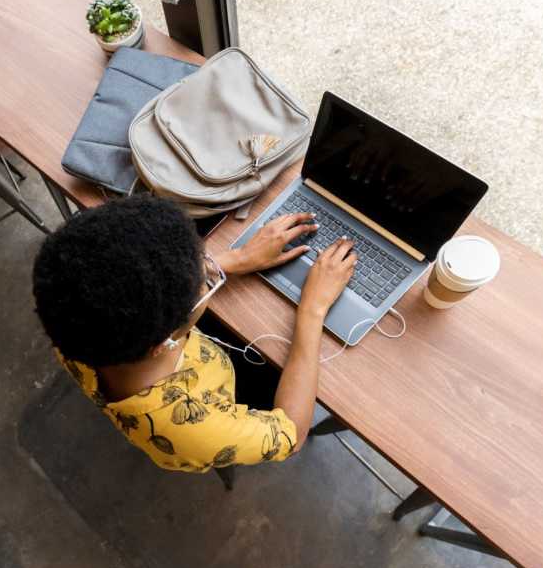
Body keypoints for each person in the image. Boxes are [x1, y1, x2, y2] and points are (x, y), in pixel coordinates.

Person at [32, 194, 356, 473]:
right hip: (224, 390)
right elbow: (292, 435)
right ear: (163, 343)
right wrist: (312, 310)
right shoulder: (193, 428)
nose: (210, 270)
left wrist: (236, 259)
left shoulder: (74, 320)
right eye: (206, 283)